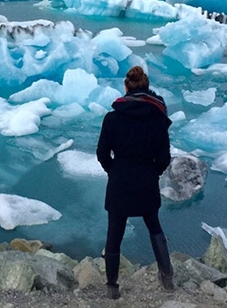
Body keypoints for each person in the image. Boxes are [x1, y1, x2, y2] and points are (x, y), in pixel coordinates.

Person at [96, 65, 174, 299]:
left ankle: (112, 287)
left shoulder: (112, 118)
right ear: (148, 88)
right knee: (154, 227)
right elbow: (164, 158)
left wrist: (115, 170)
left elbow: (102, 153)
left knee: (114, 234)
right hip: (146, 181)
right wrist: (152, 173)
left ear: (126, 87)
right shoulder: (159, 120)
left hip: (120, 181)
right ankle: (167, 277)